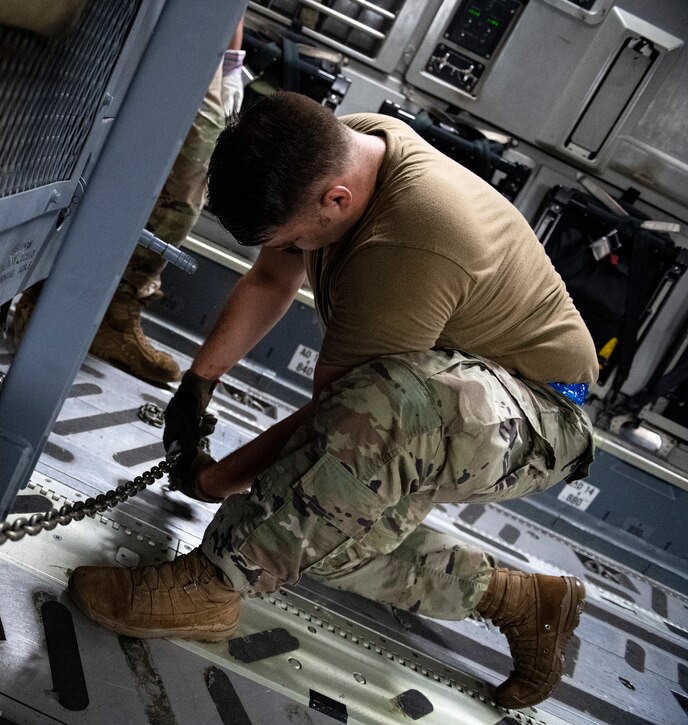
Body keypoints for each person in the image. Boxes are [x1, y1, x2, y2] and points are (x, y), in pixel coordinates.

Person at [67, 91, 598, 710]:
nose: (295, 248)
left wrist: (216, 479)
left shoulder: (408, 243)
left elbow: (340, 424)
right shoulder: (339, 148)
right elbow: (272, 276)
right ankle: (519, 600)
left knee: (339, 461)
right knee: (320, 531)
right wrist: (198, 384)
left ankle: (213, 584)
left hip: (538, 418)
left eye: (296, 238)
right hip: (454, 396)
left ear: (336, 201)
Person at [11, 20, 246, 384]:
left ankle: (117, 314)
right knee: (111, 138)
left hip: (202, 27)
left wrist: (231, 60)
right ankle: (48, 294)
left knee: (189, 171)